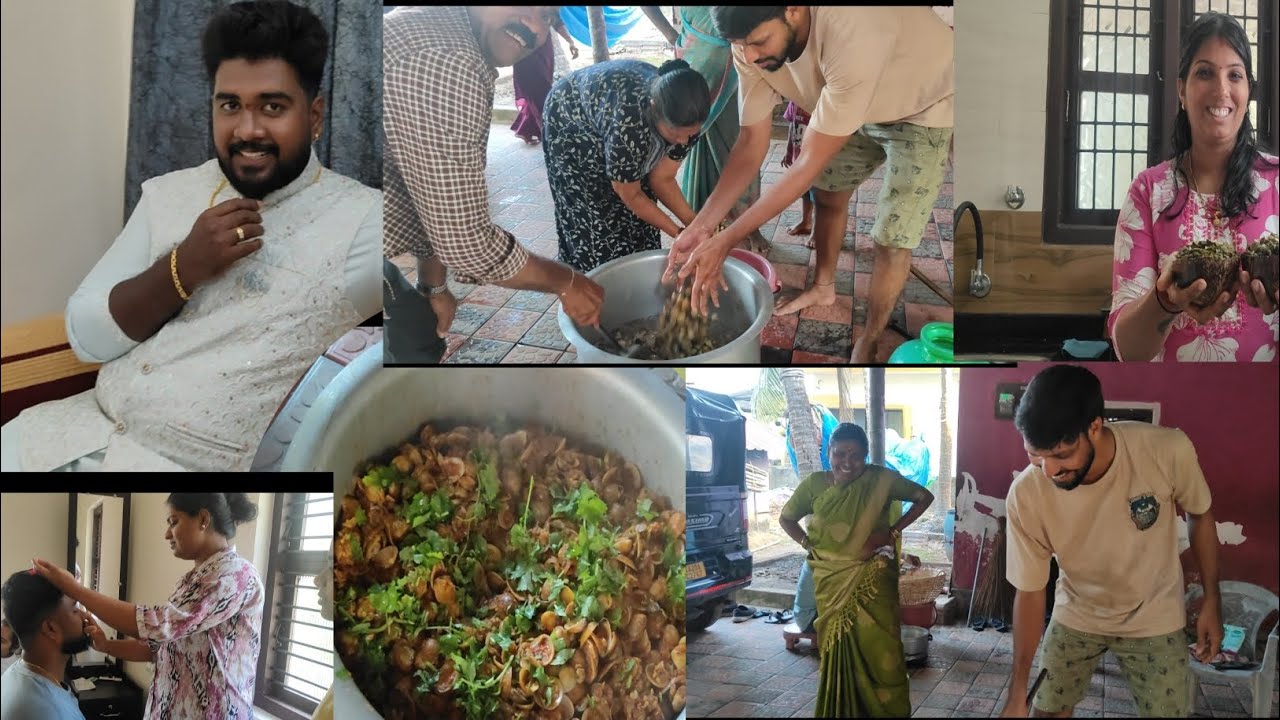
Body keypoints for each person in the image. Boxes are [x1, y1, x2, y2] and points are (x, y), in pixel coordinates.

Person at [0, 0, 381, 472]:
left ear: (316, 115)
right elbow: (87, 337)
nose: (248, 129)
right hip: (54, 439)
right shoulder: (170, 193)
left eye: (273, 106)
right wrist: (183, 268)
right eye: (230, 106)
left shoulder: (364, 220)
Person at [664, 7, 954, 363]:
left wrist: (726, 240)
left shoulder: (852, 30)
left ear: (794, 10)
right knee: (828, 193)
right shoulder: (747, 46)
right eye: (740, 45)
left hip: (923, 105)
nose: (750, 55)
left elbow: (806, 163)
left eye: (758, 41)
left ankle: (871, 338)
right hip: (852, 101)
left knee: (893, 239)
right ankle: (823, 288)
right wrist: (702, 227)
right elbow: (749, 145)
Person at [382, 6, 604, 365]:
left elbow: (433, 196)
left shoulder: (445, 32)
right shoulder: (449, 61)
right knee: (407, 353)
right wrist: (567, 282)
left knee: (419, 339)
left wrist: (433, 286)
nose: (534, 24)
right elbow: (468, 243)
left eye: (547, 16)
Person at [998, 365, 1222, 718]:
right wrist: (1017, 693)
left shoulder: (1165, 449)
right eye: (1035, 454)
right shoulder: (1026, 494)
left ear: (1095, 426)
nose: (1049, 471)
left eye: (1061, 454)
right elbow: (1029, 591)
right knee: (1047, 711)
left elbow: (1200, 513)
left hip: (1155, 614)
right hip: (1077, 612)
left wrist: (1212, 599)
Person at [1109, 12, 1279, 362]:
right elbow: (1130, 351)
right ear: (1181, 89)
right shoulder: (1148, 192)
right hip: (1176, 398)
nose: (1221, 90)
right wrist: (1164, 301)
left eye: (1235, 75)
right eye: (1204, 73)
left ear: (1248, 91)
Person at [32, 493, 265, 719]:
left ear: (204, 519)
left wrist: (75, 589)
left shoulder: (235, 576)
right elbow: (159, 648)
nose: (167, 534)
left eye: (174, 522)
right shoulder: (192, 580)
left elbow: (159, 625)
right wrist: (106, 646)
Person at [777, 422, 935, 717]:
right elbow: (787, 519)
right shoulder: (813, 485)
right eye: (840, 454)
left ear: (866, 456)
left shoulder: (881, 480)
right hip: (831, 581)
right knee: (838, 650)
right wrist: (807, 543)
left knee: (883, 653)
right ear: (829, 452)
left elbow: (924, 497)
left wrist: (891, 532)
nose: (847, 463)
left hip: (874, 581)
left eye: (855, 456)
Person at [542, 59, 710, 271]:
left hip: (614, 120)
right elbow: (629, 193)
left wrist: (694, 227)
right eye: (676, 134)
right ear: (654, 109)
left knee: (641, 211)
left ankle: (639, 271)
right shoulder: (628, 121)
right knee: (597, 213)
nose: (684, 141)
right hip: (570, 118)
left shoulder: (688, 116)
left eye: (690, 135)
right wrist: (678, 233)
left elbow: (661, 179)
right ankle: (591, 282)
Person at [675, 6, 769, 253]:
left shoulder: (750, 52)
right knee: (698, 140)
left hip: (733, 67)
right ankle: (701, 221)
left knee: (741, 144)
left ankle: (745, 224)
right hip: (698, 56)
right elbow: (660, 177)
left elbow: (752, 146)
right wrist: (689, 228)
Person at [0, 572, 92, 720]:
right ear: (51, 629)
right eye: (75, 609)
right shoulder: (49, 712)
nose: (85, 617)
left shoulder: (17, 673)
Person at [511, 11, 578, 145]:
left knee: (541, 91)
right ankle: (552, 134)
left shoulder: (546, 9)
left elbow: (556, 21)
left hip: (543, 52)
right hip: (523, 52)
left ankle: (532, 130)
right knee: (538, 92)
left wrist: (571, 42)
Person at [782, 101, 817, 238]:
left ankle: (816, 231)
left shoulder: (819, 104)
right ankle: (806, 222)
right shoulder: (795, 102)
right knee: (805, 192)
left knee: (818, 196)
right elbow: (792, 126)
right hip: (800, 158)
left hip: (817, 161)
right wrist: (789, 151)